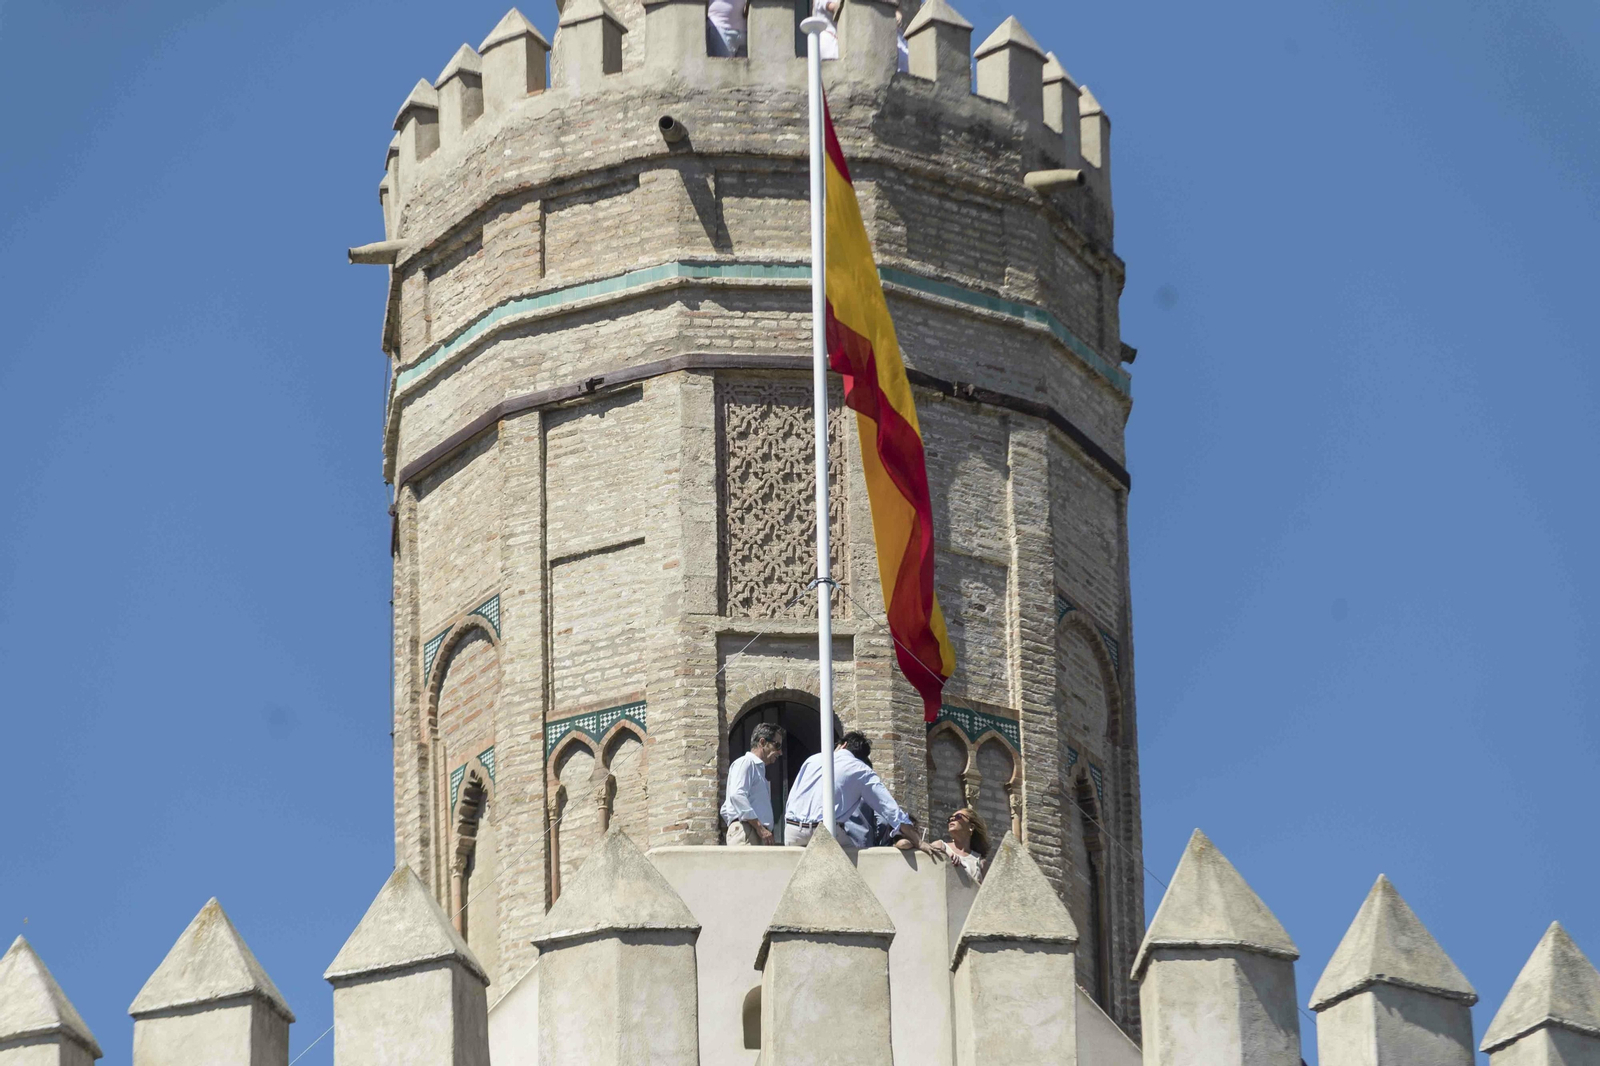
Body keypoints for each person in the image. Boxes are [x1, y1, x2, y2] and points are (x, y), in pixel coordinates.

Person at [785, 731, 938, 860]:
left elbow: (793, 795)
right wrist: (918, 841)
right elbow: (889, 809)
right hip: (825, 831)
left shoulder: (813, 759)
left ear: (843, 745)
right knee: (858, 872)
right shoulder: (862, 771)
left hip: (792, 830)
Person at [721, 723, 783, 844]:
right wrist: (759, 827)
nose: (780, 752)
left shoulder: (757, 769)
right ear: (762, 742)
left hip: (753, 831)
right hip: (747, 831)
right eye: (777, 745)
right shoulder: (746, 763)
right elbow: (737, 795)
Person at [928, 806, 991, 882]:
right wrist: (945, 857)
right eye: (950, 818)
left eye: (958, 816)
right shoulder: (940, 846)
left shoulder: (980, 862)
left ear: (971, 827)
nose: (952, 819)